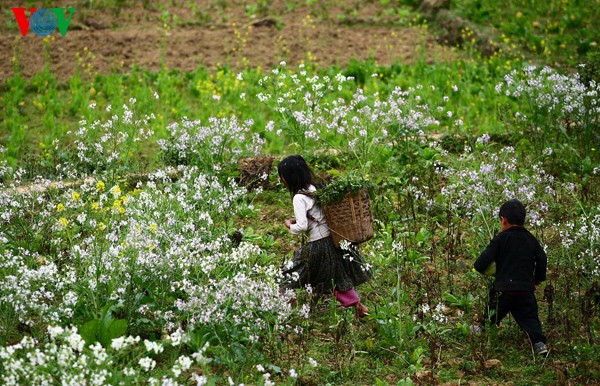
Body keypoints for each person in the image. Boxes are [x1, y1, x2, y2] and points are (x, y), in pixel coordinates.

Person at [278, 155, 371, 317]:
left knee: (290, 272)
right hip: (332, 241)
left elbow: (302, 226)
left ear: (288, 178)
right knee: (336, 276)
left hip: (317, 244)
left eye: (282, 176)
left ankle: (286, 300)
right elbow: (318, 215)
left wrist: (289, 225)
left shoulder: (299, 197)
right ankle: (359, 306)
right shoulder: (314, 189)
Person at [474, 199, 549, 355]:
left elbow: (480, 262)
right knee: (530, 318)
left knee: (492, 313)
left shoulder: (500, 239)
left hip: (503, 289)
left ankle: (481, 329)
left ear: (503, 220)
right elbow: (542, 258)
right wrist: (537, 279)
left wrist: (484, 270)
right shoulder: (530, 239)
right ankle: (539, 344)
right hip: (524, 289)